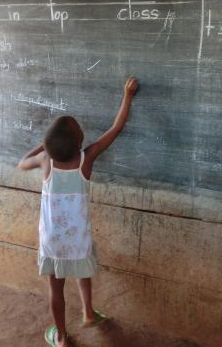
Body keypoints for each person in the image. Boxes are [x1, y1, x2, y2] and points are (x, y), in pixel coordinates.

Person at [17, 77, 139, 347]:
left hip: (52, 242)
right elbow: (116, 128)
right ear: (80, 141)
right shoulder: (86, 160)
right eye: (79, 128)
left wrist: (42, 146)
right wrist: (127, 95)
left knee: (55, 288)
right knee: (83, 271)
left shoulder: (44, 161)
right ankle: (87, 313)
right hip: (78, 239)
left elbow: (21, 163)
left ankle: (60, 336)